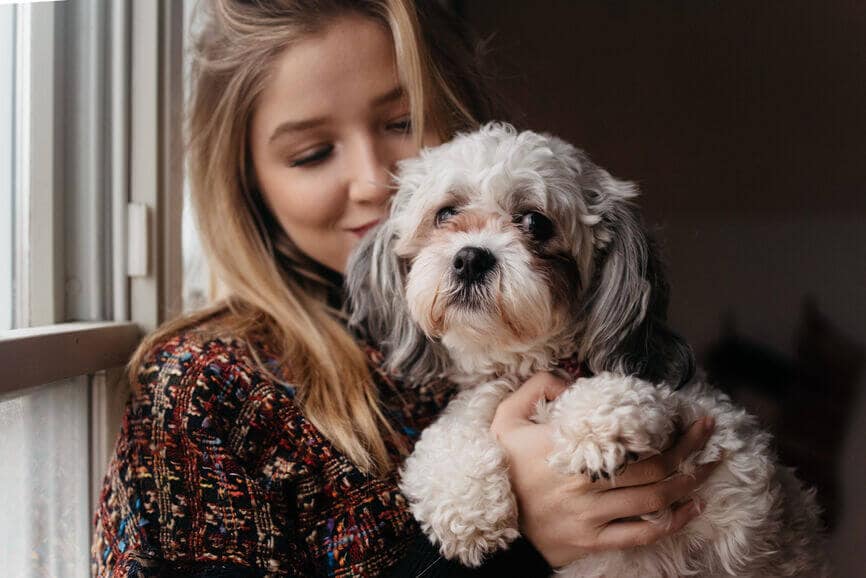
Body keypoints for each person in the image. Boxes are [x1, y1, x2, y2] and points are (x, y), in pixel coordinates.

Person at [91, 1, 720, 576]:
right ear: (246, 184)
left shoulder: (563, 329)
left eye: (404, 121)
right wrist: (519, 541)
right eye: (312, 153)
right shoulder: (206, 387)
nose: (373, 180)